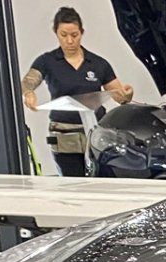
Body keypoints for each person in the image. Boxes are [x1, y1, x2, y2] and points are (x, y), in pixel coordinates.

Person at [22, 7, 134, 176]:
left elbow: (119, 95)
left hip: (96, 134)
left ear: (82, 33)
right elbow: (28, 82)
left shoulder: (98, 63)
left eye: (74, 35)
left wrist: (127, 94)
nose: (69, 41)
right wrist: (29, 93)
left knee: (101, 180)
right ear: (56, 33)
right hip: (64, 135)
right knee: (72, 182)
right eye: (63, 35)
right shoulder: (47, 61)